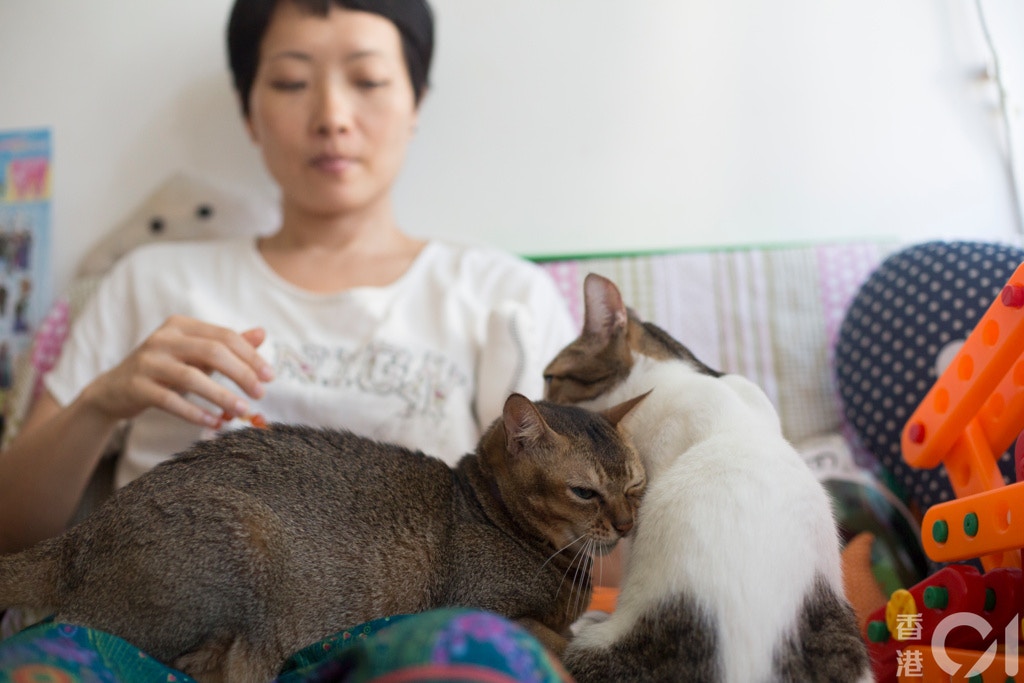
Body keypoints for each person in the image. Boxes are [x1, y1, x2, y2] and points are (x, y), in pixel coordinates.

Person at [0, 0, 577, 555]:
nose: (331, 117)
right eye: (290, 83)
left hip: (414, 638)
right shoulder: (148, 281)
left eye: (369, 81)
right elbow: (11, 533)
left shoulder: (503, 296)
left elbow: (594, 552)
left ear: (416, 101)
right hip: (165, 635)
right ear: (249, 112)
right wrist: (101, 402)